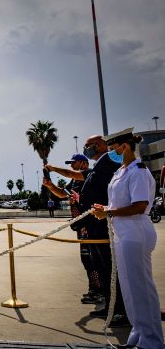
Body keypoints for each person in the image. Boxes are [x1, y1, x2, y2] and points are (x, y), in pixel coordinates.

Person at [45, 135, 128, 327]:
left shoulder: (106, 163)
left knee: (110, 268)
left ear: (98, 146)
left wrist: (53, 168)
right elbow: (68, 191)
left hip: (102, 225)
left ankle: (120, 310)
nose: (86, 149)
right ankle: (110, 304)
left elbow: (75, 175)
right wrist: (51, 186)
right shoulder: (96, 168)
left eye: (88, 146)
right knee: (100, 266)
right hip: (91, 226)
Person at [91, 128, 163, 349]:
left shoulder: (138, 171)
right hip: (122, 234)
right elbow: (119, 203)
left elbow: (140, 206)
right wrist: (106, 208)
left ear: (124, 146)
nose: (111, 152)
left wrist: (109, 213)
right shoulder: (121, 171)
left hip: (136, 233)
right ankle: (139, 333)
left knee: (141, 288)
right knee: (129, 289)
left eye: (113, 148)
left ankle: (152, 341)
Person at [44, 154, 102, 305]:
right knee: (86, 259)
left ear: (83, 163)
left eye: (73, 163)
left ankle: (99, 290)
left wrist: (53, 168)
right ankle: (94, 288)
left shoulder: (89, 174)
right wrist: (50, 186)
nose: (71, 166)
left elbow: (71, 173)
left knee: (93, 258)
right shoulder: (75, 181)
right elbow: (62, 193)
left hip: (92, 224)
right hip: (81, 224)